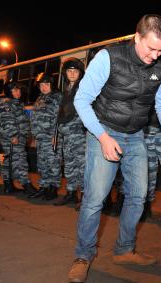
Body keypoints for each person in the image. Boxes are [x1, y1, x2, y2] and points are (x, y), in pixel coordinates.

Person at [68, 14, 161, 283]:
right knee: (95, 199)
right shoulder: (109, 57)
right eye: (150, 48)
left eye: (160, 50)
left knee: (139, 195)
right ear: (137, 38)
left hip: (135, 136)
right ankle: (83, 256)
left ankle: (125, 249)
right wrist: (103, 137)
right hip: (104, 132)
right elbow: (82, 101)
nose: (155, 55)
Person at [54, 58, 86, 207]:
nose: (72, 74)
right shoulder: (66, 90)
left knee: (82, 166)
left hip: (79, 135)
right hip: (67, 136)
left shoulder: (84, 88)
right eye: (69, 71)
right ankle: (71, 193)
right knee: (69, 165)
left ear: (80, 73)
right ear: (65, 73)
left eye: (75, 71)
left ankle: (85, 198)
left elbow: (84, 112)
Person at [28, 73, 62, 200]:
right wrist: (35, 136)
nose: (43, 87)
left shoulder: (57, 98)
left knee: (53, 163)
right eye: (41, 85)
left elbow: (59, 118)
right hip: (41, 138)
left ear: (51, 85)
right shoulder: (40, 98)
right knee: (42, 164)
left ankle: (53, 189)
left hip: (51, 137)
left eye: (46, 84)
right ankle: (44, 187)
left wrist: (55, 135)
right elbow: (35, 118)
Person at [0, 83, 35, 194]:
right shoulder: (7, 105)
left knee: (10, 161)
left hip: (19, 137)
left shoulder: (16, 104)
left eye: (18, 90)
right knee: (20, 160)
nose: (17, 93)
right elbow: (7, 121)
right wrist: (13, 136)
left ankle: (8, 186)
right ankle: (26, 184)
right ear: (9, 92)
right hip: (13, 138)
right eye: (14, 91)